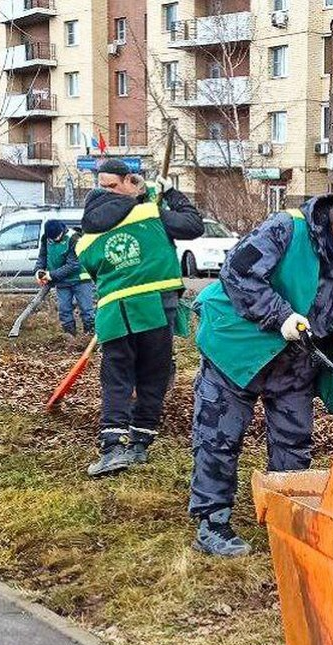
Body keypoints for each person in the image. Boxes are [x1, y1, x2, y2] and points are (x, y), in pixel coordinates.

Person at [189, 190, 333, 557]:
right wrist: (280, 315)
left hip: (295, 363)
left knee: (294, 444)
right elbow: (237, 273)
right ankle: (212, 522)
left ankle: (283, 517)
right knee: (219, 436)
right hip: (236, 350)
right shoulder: (286, 230)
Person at [76, 158, 204, 476]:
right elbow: (192, 225)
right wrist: (169, 194)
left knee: (117, 380)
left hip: (114, 314)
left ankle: (112, 448)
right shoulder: (149, 213)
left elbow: (93, 272)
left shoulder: (84, 239)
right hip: (157, 311)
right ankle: (139, 444)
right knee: (153, 377)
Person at [34, 219, 95, 344]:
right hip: (61, 281)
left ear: (62, 230)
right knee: (64, 310)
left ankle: (89, 338)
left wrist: (51, 275)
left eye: (58, 237)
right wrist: (39, 271)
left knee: (86, 310)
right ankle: (70, 338)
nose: (56, 239)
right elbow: (43, 256)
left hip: (80, 280)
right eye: (53, 238)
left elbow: (73, 264)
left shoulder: (74, 238)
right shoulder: (46, 238)